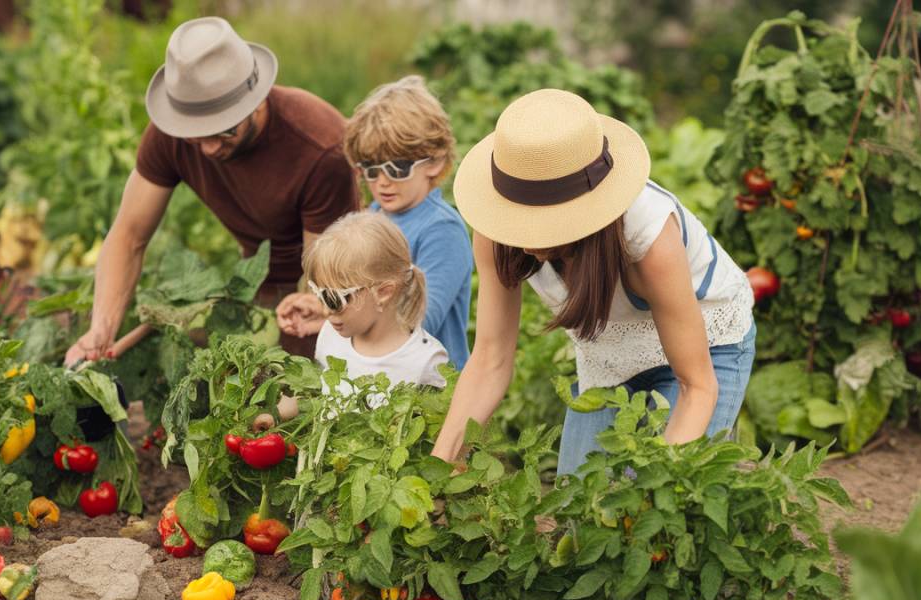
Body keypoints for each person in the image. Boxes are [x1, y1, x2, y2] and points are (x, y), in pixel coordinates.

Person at [432, 89, 756, 475]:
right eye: (519, 220)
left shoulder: (646, 238)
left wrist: (659, 491)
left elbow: (697, 386)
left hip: (705, 346)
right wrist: (439, 471)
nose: (527, 238)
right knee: (582, 511)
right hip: (609, 357)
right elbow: (490, 360)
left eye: (544, 223)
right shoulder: (496, 231)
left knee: (665, 501)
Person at [63, 16, 359, 366]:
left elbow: (322, 278)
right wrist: (102, 329)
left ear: (254, 99)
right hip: (252, 281)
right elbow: (129, 235)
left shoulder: (318, 149)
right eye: (194, 132)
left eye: (223, 130)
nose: (207, 148)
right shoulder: (172, 133)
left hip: (328, 287)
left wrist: (292, 350)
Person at [275, 76, 473, 369]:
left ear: (435, 162)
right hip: (376, 376)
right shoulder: (373, 216)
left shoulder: (442, 230)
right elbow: (361, 302)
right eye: (370, 168)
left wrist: (343, 308)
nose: (382, 182)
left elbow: (419, 322)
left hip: (430, 387)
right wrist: (325, 308)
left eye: (398, 167)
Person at [256, 211, 448, 426]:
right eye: (319, 295)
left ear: (383, 292)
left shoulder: (425, 363)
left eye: (334, 299)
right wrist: (276, 414)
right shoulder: (331, 335)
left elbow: (438, 437)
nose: (326, 311)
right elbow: (320, 395)